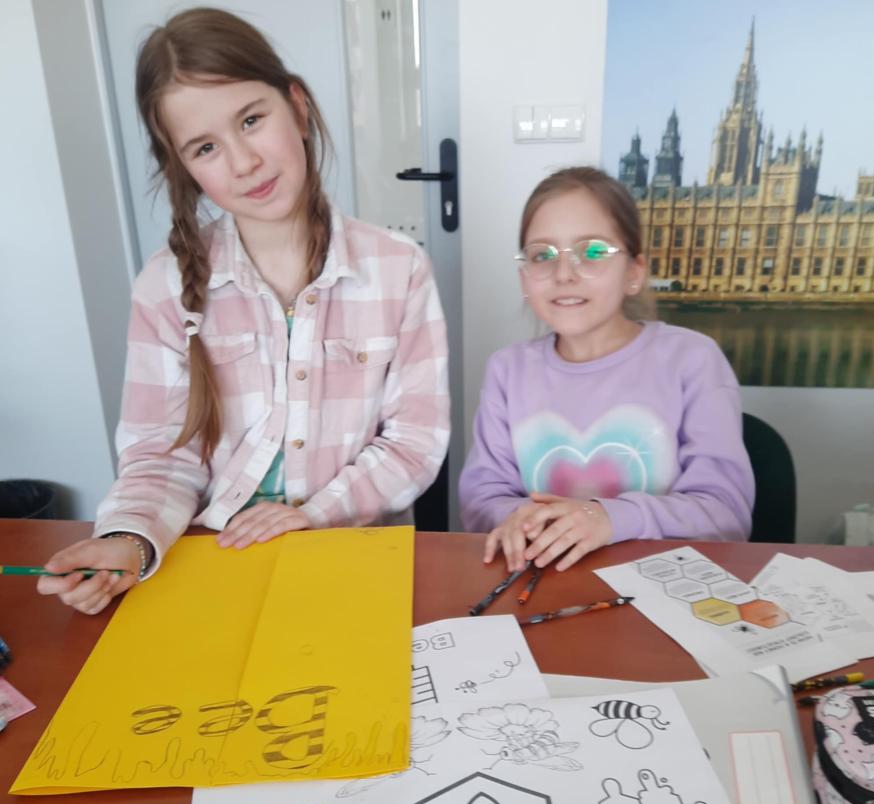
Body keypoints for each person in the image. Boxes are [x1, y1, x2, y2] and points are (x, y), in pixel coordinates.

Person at [38, 8, 449, 614]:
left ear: (298, 108)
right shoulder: (163, 286)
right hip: (215, 561)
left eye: (252, 120)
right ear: (183, 167)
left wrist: (313, 514)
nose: (242, 161)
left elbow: (415, 442)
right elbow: (159, 455)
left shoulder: (400, 267)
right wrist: (129, 539)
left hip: (353, 557)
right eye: (206, 147)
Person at [459, 166, 752, 573]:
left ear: (634, 272)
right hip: (541, 585)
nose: (564, 274)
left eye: (593, 252)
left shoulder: (693, 360)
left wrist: (610, 518)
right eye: (543, 255)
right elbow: (480, 499)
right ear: (525, 279)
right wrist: (519, 518)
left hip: (663, 588)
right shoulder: (506, 370)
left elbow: (725, 514)